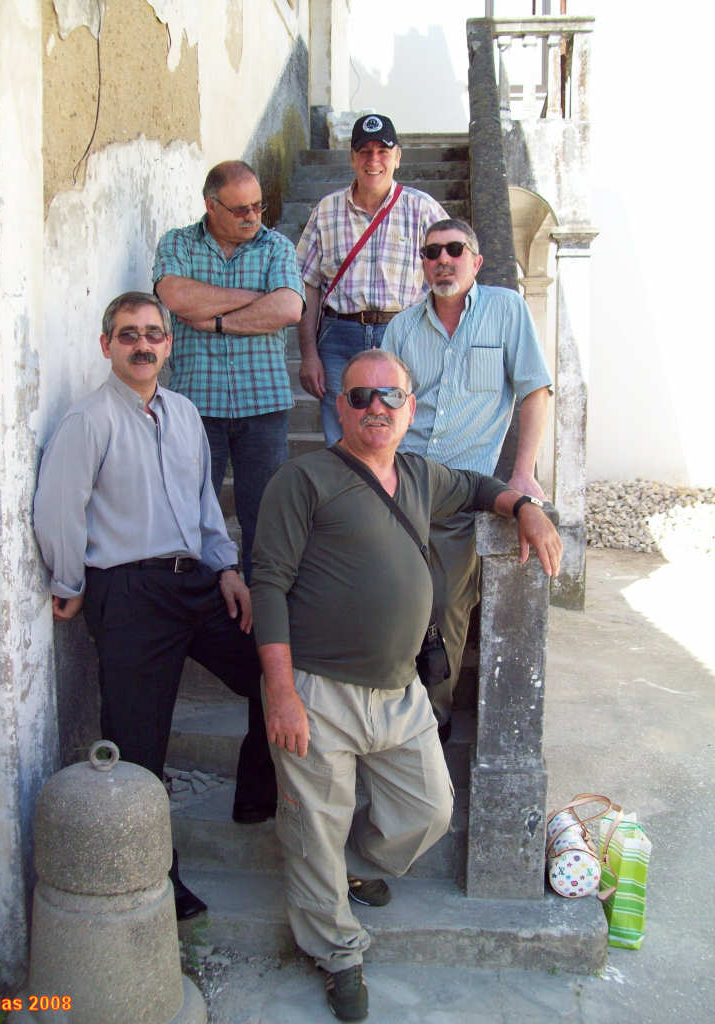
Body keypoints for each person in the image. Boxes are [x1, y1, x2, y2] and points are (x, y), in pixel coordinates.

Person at [250, 348, 561, 1021]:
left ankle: (359, 864)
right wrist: (281, 693)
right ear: (340, 408)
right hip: (318, 690)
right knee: (312, 829)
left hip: (400, 690)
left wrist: (526, 507)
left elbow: (477, 488)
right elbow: (268, 584)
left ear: (410, 408)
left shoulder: (420, 475)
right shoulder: (302, 480)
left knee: (429, 810)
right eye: (360, 396)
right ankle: (338, 952)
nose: (377, 408)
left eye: (390, 396)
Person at [33, 291, 277, 923]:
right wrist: (69, 583)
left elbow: (204, 503)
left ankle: (258, 795)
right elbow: (58, 508)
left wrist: (227, 568)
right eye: (128, 334)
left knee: (274, 673)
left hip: (195, 584)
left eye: (152, 333)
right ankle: (155, 877)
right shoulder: (88, 420)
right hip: (129, 594)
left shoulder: (185, 413)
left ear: (168, 344)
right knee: (138, 745)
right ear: (106, 345)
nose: (142, 344)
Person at [381, 218, 554, 740]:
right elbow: (386, 406)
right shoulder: (402, 328)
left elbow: (534, 390)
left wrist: (522, 472)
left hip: (464, 491)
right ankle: (383, 714)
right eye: (432, 252)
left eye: (455, 250)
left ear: (476, 262)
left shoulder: (506, 310)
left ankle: (433, 722)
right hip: (404, 482)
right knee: (385, 598)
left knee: (448, 607)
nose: (442, 260)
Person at [153, 160, 305, 579]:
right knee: (190, 515)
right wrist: (255, 297)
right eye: (240, 209)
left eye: (258, 206)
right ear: (211, 205)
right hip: (196, 407)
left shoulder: (276, 246)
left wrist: (216, 320)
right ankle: (202, 604)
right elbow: (175, 296)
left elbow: (289, 307)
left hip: (264, 405)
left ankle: (262, 606)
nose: (252, 217)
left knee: (266, 520)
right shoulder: (178, 243)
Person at [295, 114, 447, 445]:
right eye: (364, 151)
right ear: (352, 158)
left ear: (398, 157)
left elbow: (451, 276)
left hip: (404, 333)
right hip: (339, 337)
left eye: (383, 151)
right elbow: (307, 285)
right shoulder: (326, 211)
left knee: (404, 436)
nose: (373, 160)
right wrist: (309, 354)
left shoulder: (423, 210)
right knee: (342, 438)